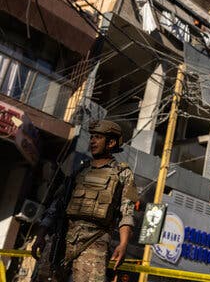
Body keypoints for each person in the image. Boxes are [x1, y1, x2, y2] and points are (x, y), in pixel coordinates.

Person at [31, 120, 138, 282]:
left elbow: (127, 212)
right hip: (63, 237)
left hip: (95, 241)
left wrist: (123, 244)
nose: (92, 141)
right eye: (92, 137)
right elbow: (57, 205)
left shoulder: (122, 173)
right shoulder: (80, 170)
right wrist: (41, 234)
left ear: (111, 143)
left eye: (98, 137)